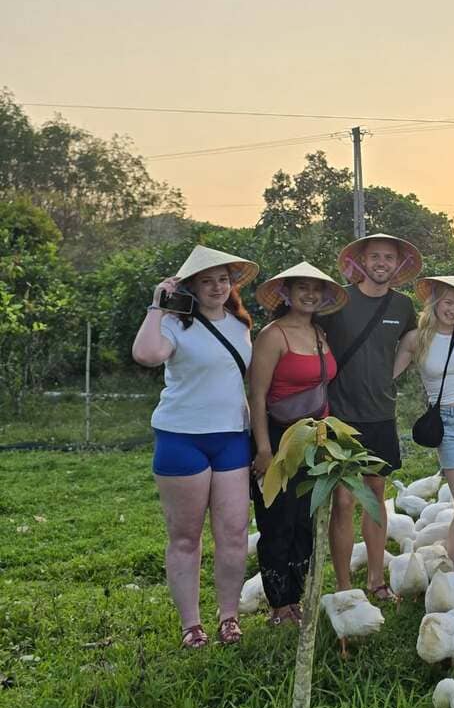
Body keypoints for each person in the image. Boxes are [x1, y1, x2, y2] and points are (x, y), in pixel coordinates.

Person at [132, 244, 257, 649]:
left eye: (223, 279)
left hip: (232, 438)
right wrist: (157, 305)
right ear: (192, 286)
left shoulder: (241, 326)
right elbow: (147, 355)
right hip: (182, 438)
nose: (217, 287)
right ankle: (192, 626)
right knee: (186, 537)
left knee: (234, 534)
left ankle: (229, 617)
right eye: (207, 281)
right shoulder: (173, 324)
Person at [317, 232, 421, 601]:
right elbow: (316, 340)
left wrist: (389, 375)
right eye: (374, 256)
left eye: (389, 258)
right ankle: (345, 586)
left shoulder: (402, 306)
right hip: (340, 417)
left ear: (398, 265)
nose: (381, 263)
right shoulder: (338, 302)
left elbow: (412, 341)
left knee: (376, 496)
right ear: (361, 262)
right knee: (344, 500)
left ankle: (377, 581)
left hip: (381, 414)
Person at [248, 262, 346, 627]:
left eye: (316, 289)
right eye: (302, 287)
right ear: (286, 293)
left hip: (314, 438)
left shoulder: (321, 333)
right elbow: (257, 396)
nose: (309, 294)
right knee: (277, 522)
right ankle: (278, 604)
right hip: (276, 437)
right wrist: (263, 449)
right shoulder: (273, 336)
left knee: (305, 521)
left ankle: (296, 599)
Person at [394, 275, 454, 591]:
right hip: (447, 423)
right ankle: (448, 578)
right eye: (447, 302)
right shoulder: (416, 340)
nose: (452, 310)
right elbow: (386, 377)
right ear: (435, 303)